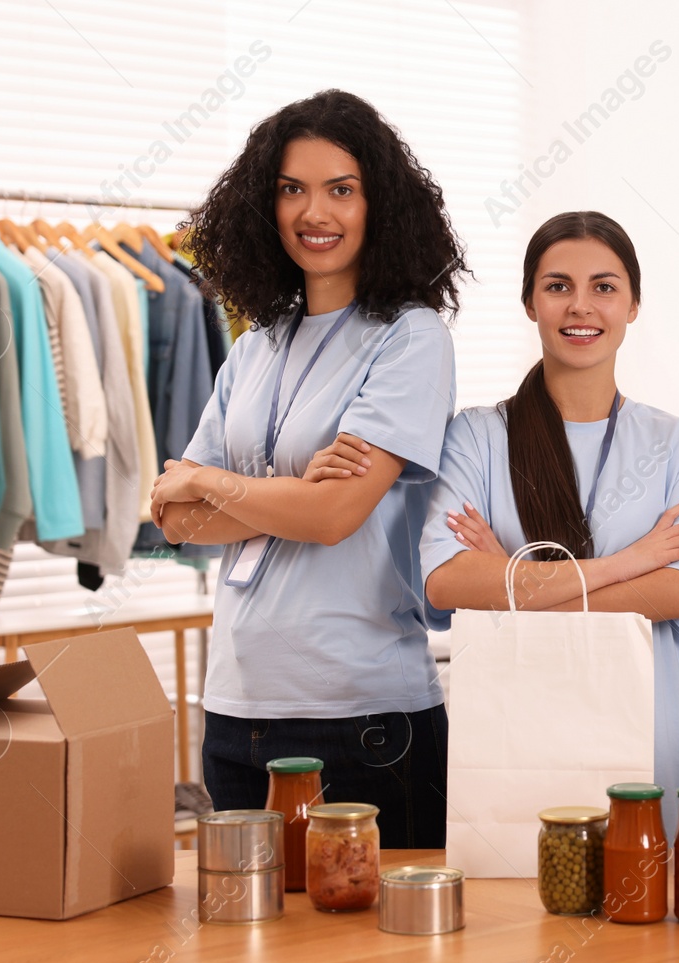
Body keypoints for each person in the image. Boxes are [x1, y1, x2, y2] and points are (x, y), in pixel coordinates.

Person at [152, 90, 467, 848]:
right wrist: (278, 491)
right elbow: (174, 520)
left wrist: (211, 480)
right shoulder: (256, 345)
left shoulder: (411, 339)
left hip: (362, 717)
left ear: (379, 204)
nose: (313, 212)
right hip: (233, 707)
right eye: (292, 188)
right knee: (242, 956)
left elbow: (332, 517)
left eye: (340, 189)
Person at [397, 211, 679, 838]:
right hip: (518, 738)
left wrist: (516, 582)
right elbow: (446, 582)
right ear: (530, 303)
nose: (581, 306)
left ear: (632, 305)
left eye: (604, 287)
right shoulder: (477, 436)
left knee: (651, 919)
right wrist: (633, 561)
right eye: (557, 286)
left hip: (652, 736)